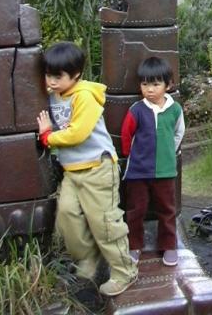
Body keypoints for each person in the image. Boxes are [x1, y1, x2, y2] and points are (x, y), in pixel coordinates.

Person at [36, 42, 138, 297]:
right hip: (73, 171)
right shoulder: (52, 95)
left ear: (76, 75)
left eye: (58, 76)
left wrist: (48, 137)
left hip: (98, 168)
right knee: (67, 216)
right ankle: (88, 257)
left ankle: (125, 271)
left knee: (104, 223)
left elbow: (78, 133)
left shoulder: (84, 96)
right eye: (49, 75)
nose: (52, 81)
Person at [121, 57, 185, 266]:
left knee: (167, 210)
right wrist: (132, 154)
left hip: (166, 171)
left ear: (168, 85)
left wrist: (168, 152)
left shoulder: (174, 110)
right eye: (145, 84)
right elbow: (126, 134)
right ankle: (134, 245)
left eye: (156, 84)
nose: (149, 89)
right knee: (135, 210)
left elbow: (178, 133)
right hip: (138, 172)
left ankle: (168, 246)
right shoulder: (136, 109)